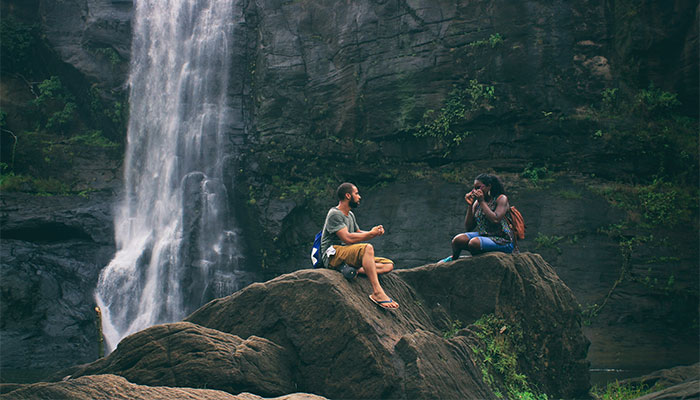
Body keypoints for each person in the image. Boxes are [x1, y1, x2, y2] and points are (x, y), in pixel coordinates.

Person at [320, 182, 399, 309]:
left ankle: (352, 269)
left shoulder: (350, 214)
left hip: (346, 253)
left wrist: (374, 232)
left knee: (388, 265)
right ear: (348, 196)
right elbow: (347, 238)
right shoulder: (335, 214)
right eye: (356, 193)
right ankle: (377, 292)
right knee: (367, 248)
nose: (359, 197)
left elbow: (357, 232)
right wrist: (371, 235)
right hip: (333, 254)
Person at [439, 173, 514, 263]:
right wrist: (470, 205)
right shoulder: (477, 203)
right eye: (474, 188)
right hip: (485, 236)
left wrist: (482, 201)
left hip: (502, 240)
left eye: (478, 187)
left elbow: (495, 219)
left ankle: (477, 260)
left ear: (488, 187)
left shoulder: (501, 199)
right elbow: (469, 227)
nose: (475, 191)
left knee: (474, 243)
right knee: (458, 240)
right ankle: (454, 259)